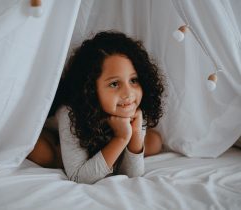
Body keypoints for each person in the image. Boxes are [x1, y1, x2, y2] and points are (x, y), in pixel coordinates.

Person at [27, 31, 165, 184]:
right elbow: (80, 177)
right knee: (42, 153)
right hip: (56, 137)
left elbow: (133, 176)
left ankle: (108, 153)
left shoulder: (133, 108)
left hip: (102, 138)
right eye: (114, 84)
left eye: (133, 80)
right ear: (91, 89)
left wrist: (136, 132)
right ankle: (67, 157)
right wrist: (121, 138)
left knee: (155, 142)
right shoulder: (70, 113)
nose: (128, 93)